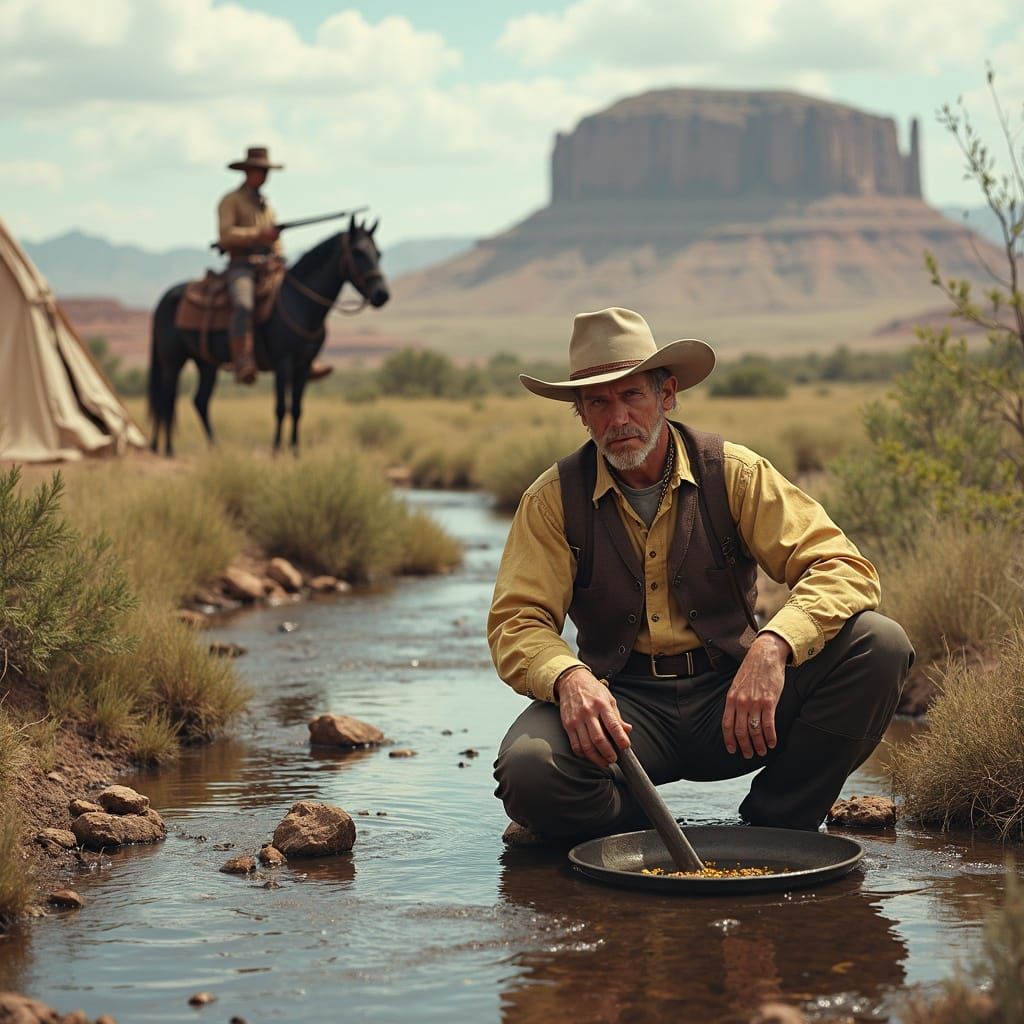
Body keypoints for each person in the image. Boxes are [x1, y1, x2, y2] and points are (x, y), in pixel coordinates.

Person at [488, 307, 913, 839]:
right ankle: (643, 830)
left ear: (666, 395)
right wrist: (569, 677)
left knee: (880, 644)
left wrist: (775, 643)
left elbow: (843, 567)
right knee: (529, 769)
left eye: (631, 395)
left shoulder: (733, 473)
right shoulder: (552, 500)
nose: (617, 418)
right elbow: (517, 621)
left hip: (737, 700)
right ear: (580, 413)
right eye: (598, 401)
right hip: (624, 715)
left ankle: (778, 822)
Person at [218, 146, 332, 385]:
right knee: (243, 305)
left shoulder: (268, 207)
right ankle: (243, 359)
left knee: (299, 301)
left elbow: (276, 241)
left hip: (269, 268)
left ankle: (306, 358)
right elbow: (226, 235)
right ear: (247, 171)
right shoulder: (230, 201)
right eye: (260, 171)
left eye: (266, 172)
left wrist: (279, 258)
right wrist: (259, 235)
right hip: (242, 267)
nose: (264, 176)